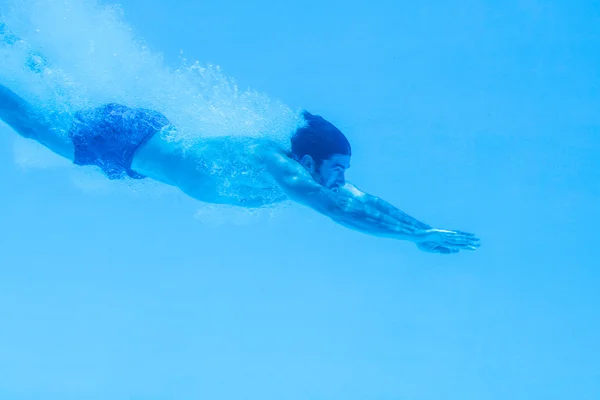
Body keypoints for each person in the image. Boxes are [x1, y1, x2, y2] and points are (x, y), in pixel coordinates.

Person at [0, 27, 479, 254]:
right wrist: (412, 237)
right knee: (33, 123)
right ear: (309, 161)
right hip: (127, 144)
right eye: (337, 167)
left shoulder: (317, 178)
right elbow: (337, 211)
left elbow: (366, 202)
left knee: (60, 95)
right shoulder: (283, 168)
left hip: (140, 142)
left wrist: (422, 229)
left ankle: (15, 41)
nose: (344, 178)